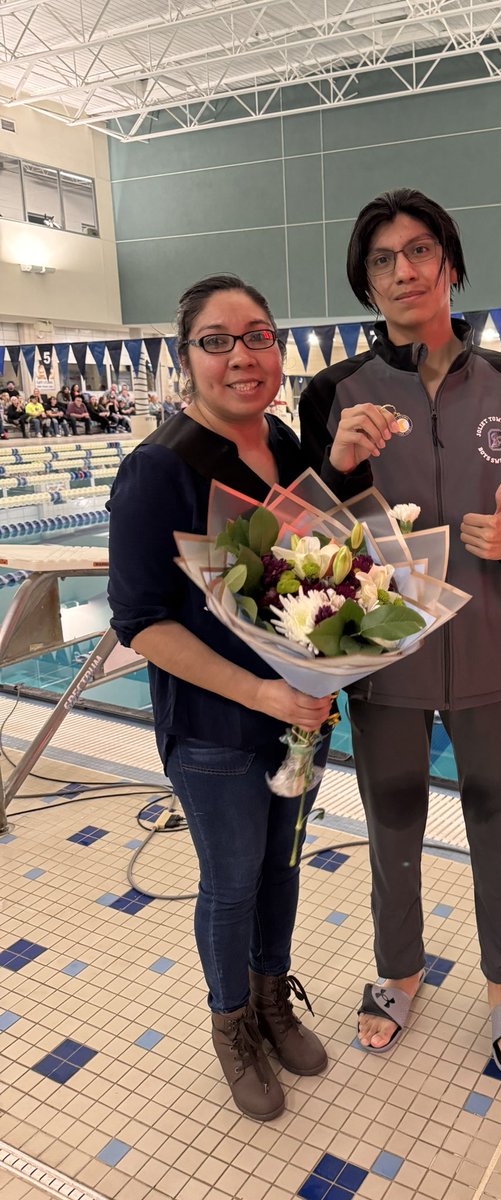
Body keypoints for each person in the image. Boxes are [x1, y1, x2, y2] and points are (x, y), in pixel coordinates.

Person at [300, 188, 501, 1073]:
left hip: (490, 651)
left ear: (449, 262)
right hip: (386, 659)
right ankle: (397, 973)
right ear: (366, 284)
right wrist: (335, 466)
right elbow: (306, 545)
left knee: (498, 817)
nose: (403, 270)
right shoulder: (332, 393)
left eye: (418, 251)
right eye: (381, 259)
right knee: (391, 820)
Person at [107, 274, 332, 1121]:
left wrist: (324, 671)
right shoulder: (157, 471)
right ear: (185, 357)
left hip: (298, 715)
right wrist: (259, 692)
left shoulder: (284, 443)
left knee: (282, 868)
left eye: (259, 336)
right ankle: (231, 1024)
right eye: (217, 340)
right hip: (215, 725)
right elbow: (142, 625)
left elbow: (323, 578)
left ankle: (272, 999)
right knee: (233, 879)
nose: (242, 355)